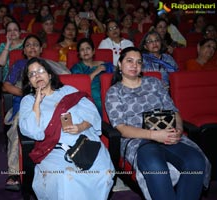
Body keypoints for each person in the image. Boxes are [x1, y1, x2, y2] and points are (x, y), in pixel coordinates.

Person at [105, 46, 211, 200]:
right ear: (120, 64)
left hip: (167, 134)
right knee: (156, 167)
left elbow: (172, 109)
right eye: (129, 61)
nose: (134, 65)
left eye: (138, 62)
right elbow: (121, 128)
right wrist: (154, 135)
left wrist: (179, 129)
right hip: (138, 140)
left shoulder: (154, 83)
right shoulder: (115, 92)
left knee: (196, 162)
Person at [18, 57, 115, 200]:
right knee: (66, 179)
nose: (37, 75)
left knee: (103, 172)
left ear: (49, 75)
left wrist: (81, 126)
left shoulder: (68, 91)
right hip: (54, 151)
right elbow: (33, 132)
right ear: (29, 81)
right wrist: (37, 102)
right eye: (32, 74)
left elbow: (92, 113)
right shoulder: (28, 101)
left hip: (85, 143)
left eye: (40, 71)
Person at [3, 34, 70, 191]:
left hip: (51, 103)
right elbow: (6, 86)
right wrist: (29, 95)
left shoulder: (48, 65)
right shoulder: (20, 65)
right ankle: (14, 173)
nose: (32, 47)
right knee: (16, 129)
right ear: (24, 50)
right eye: (28, 45)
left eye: (35, 45)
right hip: (26, 105)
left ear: (41, 49)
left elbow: (66, 79)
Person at [71, 37, 114, 115]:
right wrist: (96, 72)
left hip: (106, 93)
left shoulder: (103, 64)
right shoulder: (77, 68)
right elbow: (80, 86)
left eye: (88, 48)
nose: (85, 51)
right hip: (87, 96)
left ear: (93, 51)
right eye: (82, 49)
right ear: (79, 54)